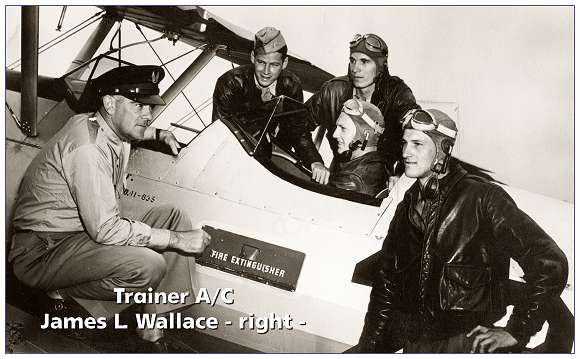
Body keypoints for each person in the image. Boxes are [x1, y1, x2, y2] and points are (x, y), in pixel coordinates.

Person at [9, 65, 211, 352]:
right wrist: (177, 240)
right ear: (109, 103)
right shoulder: (88, 149)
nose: (147, 114)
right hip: (43, 251)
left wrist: (159, 133)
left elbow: (132, 129)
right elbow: (105, 229)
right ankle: (62, 298)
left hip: (76, 238)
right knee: (149, 265)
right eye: (139, 105)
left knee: (173, 217)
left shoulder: (102, 124)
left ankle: (151, 324)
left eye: (149, 107)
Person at [357, 109, 568, 353]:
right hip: (417, 341)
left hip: (464, 342)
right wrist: (369, 348)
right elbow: (387, 283)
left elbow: (550, 262)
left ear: (443, 149)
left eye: (417, 144)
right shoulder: (408, 204)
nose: (406, 152)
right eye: (404, 143)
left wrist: (516, 330)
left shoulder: (482, 198)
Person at [212, 26, 330, 185]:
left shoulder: (290, 85)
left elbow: (298, 131)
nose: (266, 71)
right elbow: (219, 134)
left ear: (285, 63)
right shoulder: (231, 83)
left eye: (274, 64)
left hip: (269, 160)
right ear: (253, 57)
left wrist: (315, 161)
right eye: (261, 62)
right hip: (232, 158)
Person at [307, 33, 420, 172]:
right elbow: (296, 123)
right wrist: (314, 161)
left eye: (365, 61)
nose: (355, 69)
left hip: (381, 179)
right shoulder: (333, 91)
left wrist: (400, 176)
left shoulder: (397, 94)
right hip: (340, 173)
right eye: (353, 60)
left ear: (380, 67)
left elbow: (418, 137)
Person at [329, 99, 387, 197]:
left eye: (343, 128)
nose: (335, 135)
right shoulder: (377, 165)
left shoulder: (352, 180)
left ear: (365, 136)